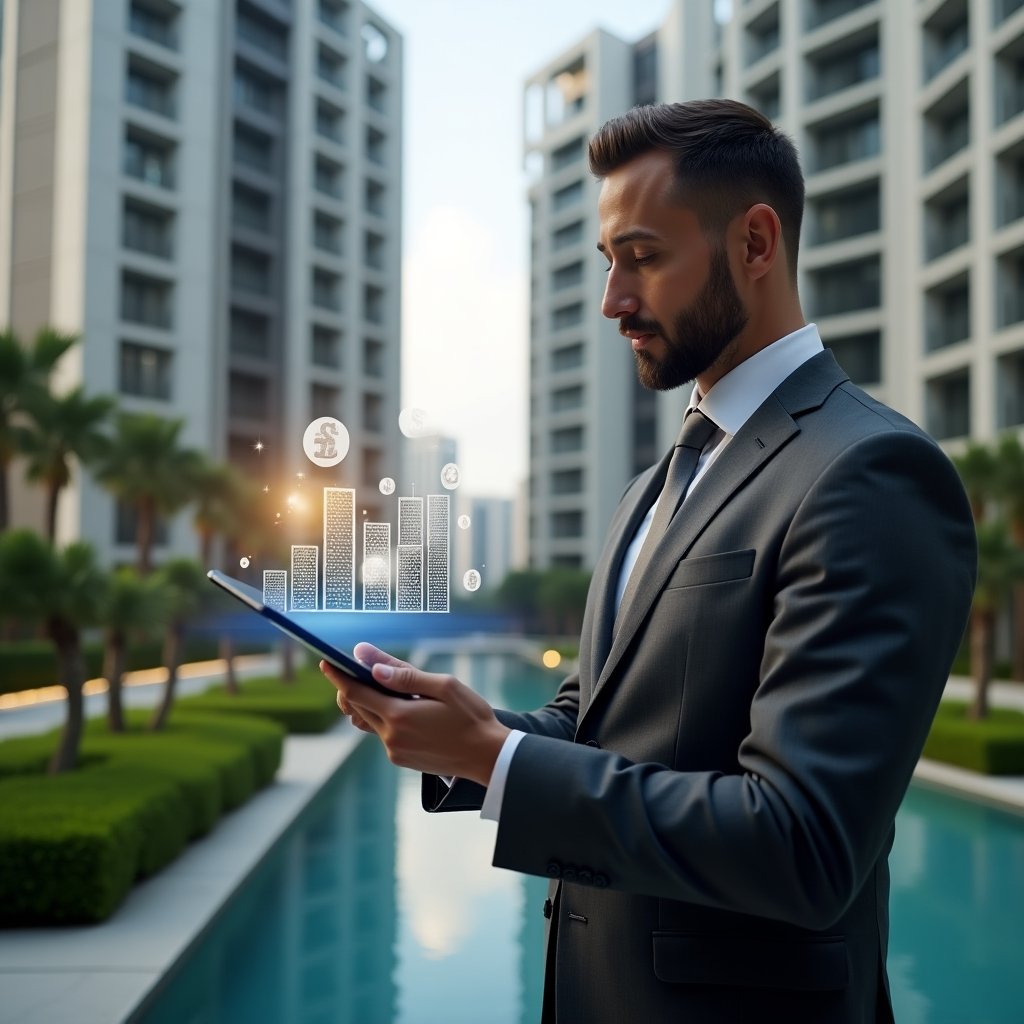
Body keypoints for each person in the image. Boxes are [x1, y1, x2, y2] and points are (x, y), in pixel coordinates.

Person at [324, 99, 977, 1023]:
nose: (612, 302)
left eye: (644, 258)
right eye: (608, 263)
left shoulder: (869, 473)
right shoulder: (653, 486)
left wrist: (503, 763)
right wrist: (462, 735)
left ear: (756, 243)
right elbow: (597, 714)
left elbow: (805, 844)